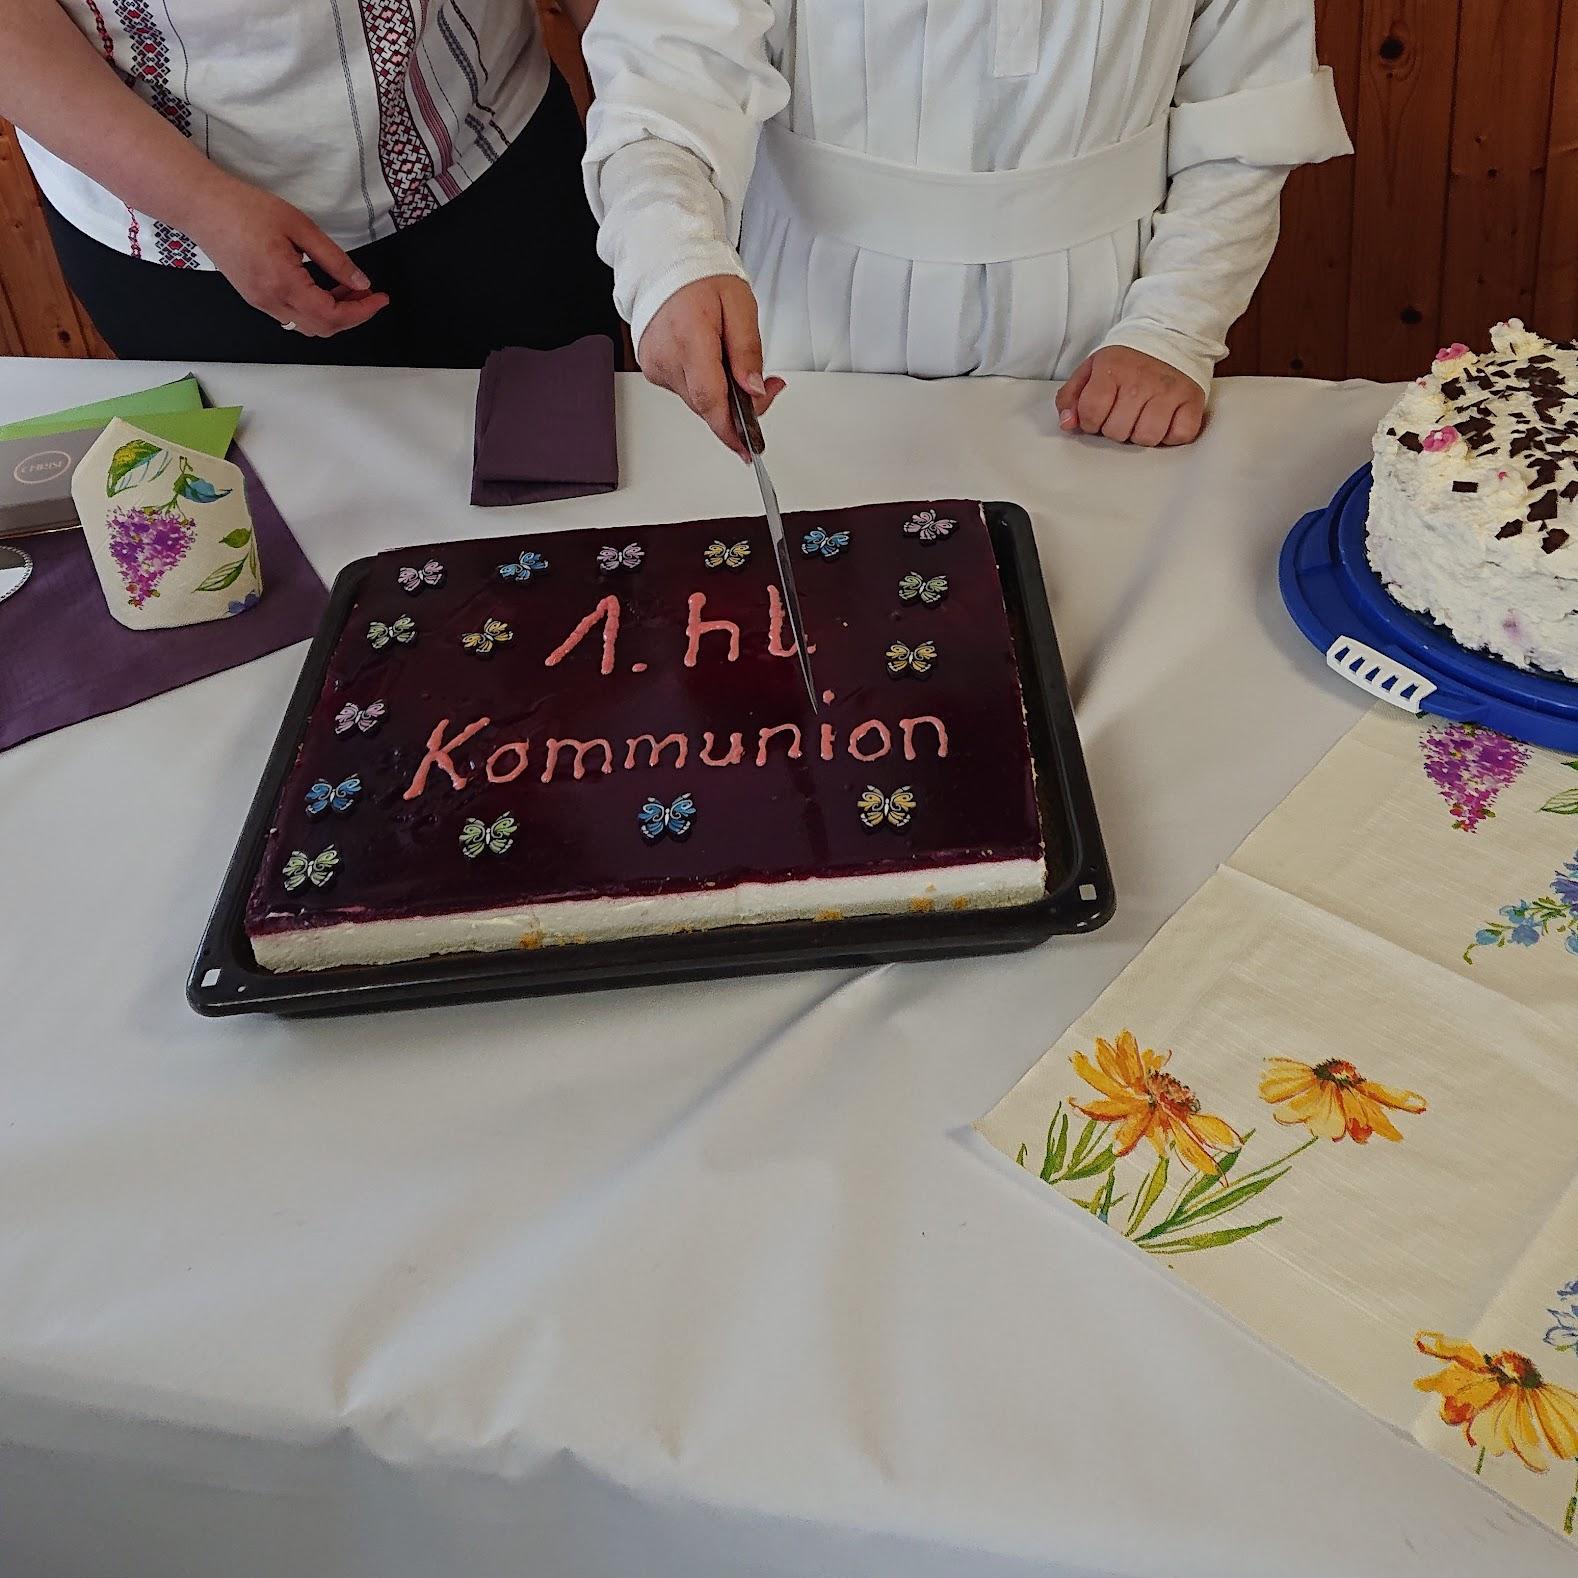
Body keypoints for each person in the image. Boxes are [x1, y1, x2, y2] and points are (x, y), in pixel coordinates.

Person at [581, 0, 1351, 454]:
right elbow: (663, 85)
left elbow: (1246, 126)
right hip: (803, 353)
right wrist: (671, 255)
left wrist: (1173, 330)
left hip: (1099, 361)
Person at [1, 0, 619, 366]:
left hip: (492, 147)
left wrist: (658, 114)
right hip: (188, 242)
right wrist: (198, 202)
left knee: (570, 507)